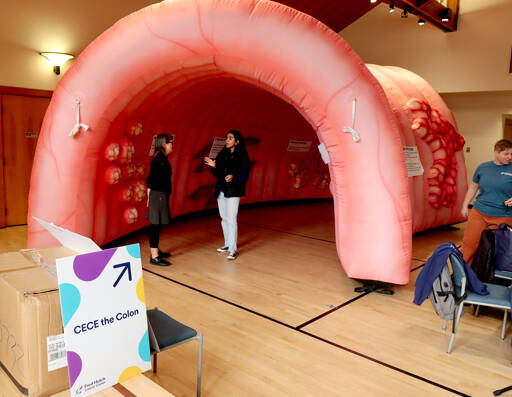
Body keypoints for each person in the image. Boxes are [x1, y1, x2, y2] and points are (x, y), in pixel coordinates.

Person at [460, 139, 512, 264]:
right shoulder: (483, 167)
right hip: (479, 212)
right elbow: (473, 187)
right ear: (496, 152)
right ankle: (462, 273)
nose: (510, 157)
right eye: (506, 154)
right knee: (469, 244)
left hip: (503, 215)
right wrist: (465, 205)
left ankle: (495, 277)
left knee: (500, 249)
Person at [204, 130, 250, 260]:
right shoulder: (222, 153)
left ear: (237, 141)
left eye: (230, 138)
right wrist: (214, 166)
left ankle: (233, 249)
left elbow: (245, 175)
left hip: (234, 190)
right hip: (222, 190)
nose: (227, 140)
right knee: (224, 218)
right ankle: (227, 244)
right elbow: (216, 173)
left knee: (231, 219)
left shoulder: (243, 154)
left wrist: (233, 177)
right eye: (227, 138)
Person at [146, 133, 174, 266]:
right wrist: (150, 196)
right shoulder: (159, 159)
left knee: (160, 223)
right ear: (164, 144)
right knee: (156, 225)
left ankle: (155, 250)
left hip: (161, 195)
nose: (172, 145)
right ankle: (154, 256)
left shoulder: (162, 158)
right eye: (170, 143)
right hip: (158, 195)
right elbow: (150, 179)